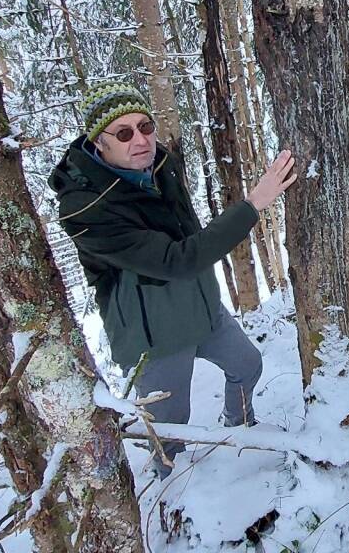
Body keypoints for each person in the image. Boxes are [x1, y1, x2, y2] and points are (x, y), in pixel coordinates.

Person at [49, 81, 296, 477]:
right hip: (154, 336)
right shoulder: (85, 207)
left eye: (145, 126)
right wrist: (254, 203)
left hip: (201, 307)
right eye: (124, 133)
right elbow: (177, 259)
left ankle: (241, 431)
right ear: (99, 144)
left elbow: (188, 234)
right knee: (169, 427)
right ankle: (174, 489)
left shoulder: (161, 164)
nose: (141, 140)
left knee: (248, 366)